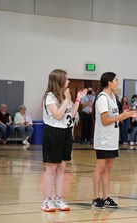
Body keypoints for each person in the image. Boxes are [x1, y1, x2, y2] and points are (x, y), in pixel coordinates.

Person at [41, 69, 87, 212]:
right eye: (66, 79)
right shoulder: (49, 97)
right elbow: (58, 115)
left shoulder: (65, 96)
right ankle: (47, 200)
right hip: (53, 132)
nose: (68, 81)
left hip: (66, 132)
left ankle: (58, 198)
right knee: (51, 168)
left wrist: (77, 99)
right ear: (59, 80)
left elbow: (71, 114)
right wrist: (67, 99)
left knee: (62, 168)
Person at [92, 72, 137, 208]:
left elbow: (114, 117)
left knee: (108, 168)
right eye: (116, 80)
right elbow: (105, 120)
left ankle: (106, 197)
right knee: (100, 168)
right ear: (109, 83)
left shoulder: (112, 97)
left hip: (112, 139)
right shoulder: (102, 98)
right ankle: (96, 198)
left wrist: (127, 115)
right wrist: (122, 116)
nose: (117, 82)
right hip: (103, 139)